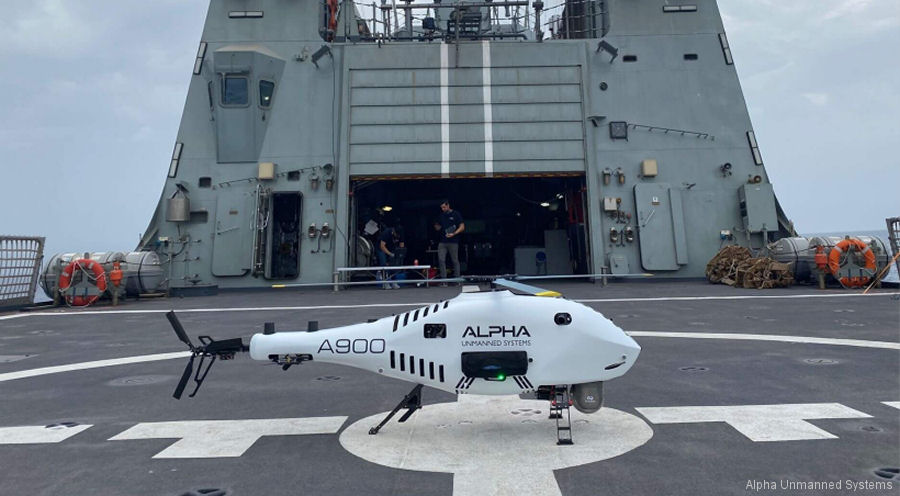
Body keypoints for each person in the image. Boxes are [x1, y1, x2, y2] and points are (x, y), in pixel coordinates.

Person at [434, 200, 465, 286]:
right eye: (441, 208)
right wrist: (437, 227)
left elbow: (462, 226)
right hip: (443, 241)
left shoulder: (456, 214)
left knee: (455, 260)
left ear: (448, 206)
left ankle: (457, 279)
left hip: (453, 241)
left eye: (444, 207)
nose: (443, 209)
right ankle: (444, 281)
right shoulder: (441, 216)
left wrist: (454, 233)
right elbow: (437, 226)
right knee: (441, 259)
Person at [377, 225, 405, 289]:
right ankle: (385, 282)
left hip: (392, 248)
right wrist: (389, 254)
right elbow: (382, 246)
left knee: (394, 263)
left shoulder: (401, 234)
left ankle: (394, 281)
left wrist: (400, 253)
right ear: (393, 231)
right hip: (381, 248)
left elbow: (401, 244)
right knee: (383, 263)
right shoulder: (386, 233)